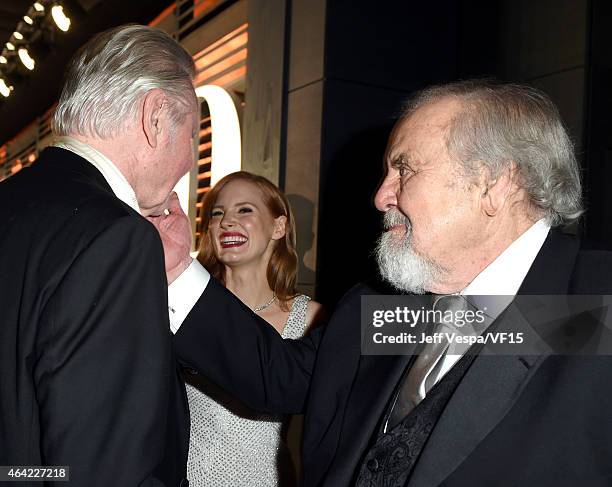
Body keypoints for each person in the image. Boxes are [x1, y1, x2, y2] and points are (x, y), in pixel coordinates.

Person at [160, 80, 612, 486]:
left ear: (493, 183)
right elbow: (275, 375)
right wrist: (177, 268)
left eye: (404, 169)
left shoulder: (596, 303)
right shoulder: (389, 310)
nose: (381, 196)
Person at [0, 24, 199, 486]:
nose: (190, 157)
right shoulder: (117, 240)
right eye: (191, 133)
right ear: (154, 117)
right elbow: (97, 473)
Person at [185, 171, 323, 486]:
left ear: (279, 226)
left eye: (244, 210)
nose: (226, 221)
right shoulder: (185, 309)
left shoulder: (311, 319)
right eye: (217, 214)